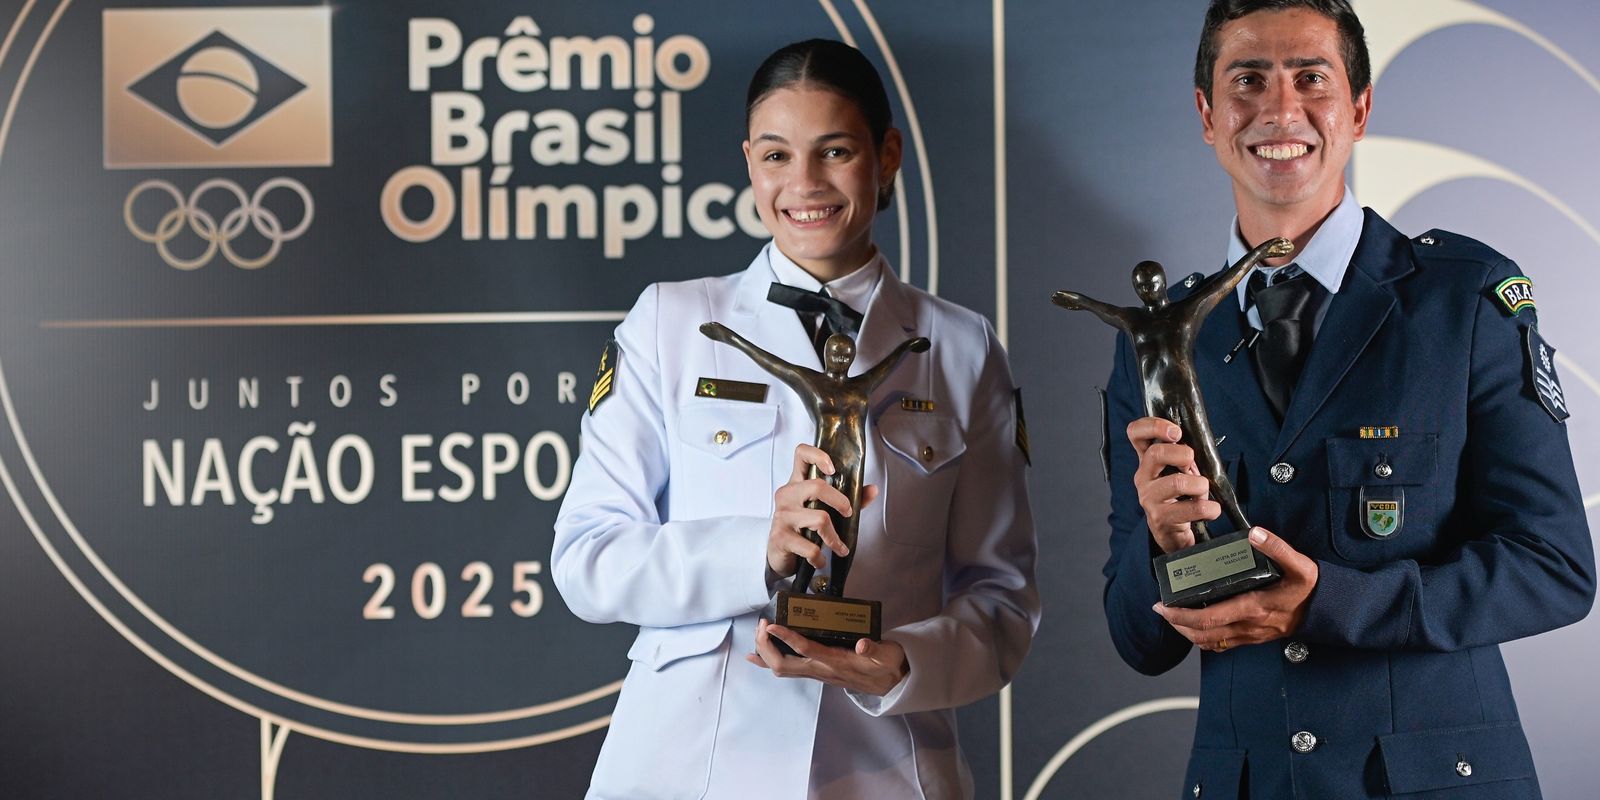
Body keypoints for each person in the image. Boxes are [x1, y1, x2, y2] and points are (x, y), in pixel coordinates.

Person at [1100, 2, 1596, 798]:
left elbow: (1554, 566)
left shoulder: (1463, 300)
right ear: (1207, 114)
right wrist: (1161, 544)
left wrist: (1334, 604)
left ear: (1358, 109)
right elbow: (1136, 641)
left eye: (1311, 79)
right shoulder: (1157, 343)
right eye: (1248, 80)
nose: (1279, 109)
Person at [553, 39, 1038, 800]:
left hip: (885, 768)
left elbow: (1001, 598)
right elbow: (589, 559)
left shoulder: (962, 346)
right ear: (750, 163)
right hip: (688, 768)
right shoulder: (670, 323)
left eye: (834, 151)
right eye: (777, 155)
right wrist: (759, 549)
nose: (804, 184)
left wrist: (903, 663)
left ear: (886, 155)